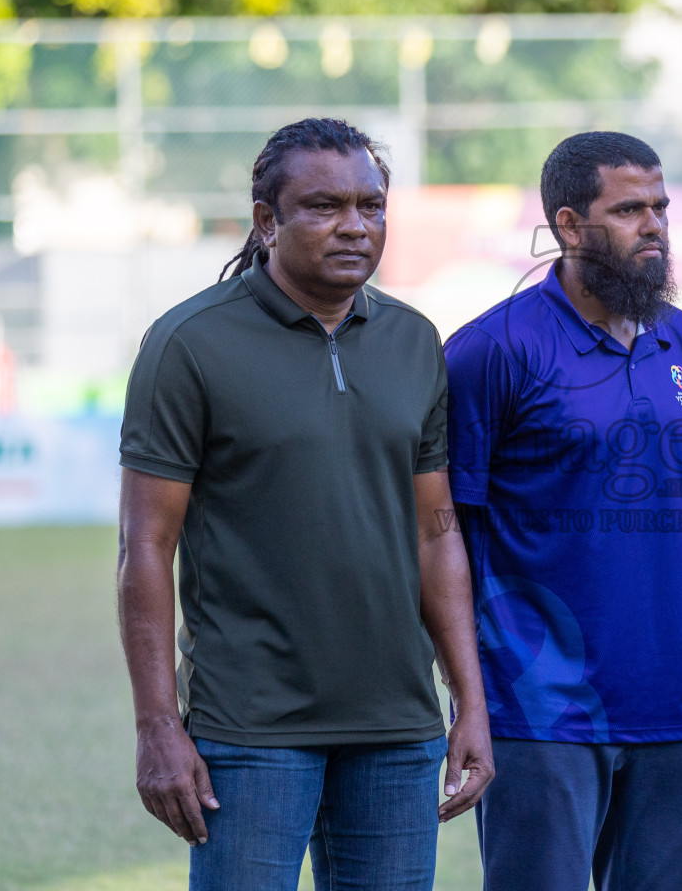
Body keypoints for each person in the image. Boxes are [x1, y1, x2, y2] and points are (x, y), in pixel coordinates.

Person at [117, 118, 493, 891]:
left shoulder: (415, 342)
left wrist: (469, 699)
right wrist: (158, 725)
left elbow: (435, 534)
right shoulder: (189, 344)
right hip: (250, 731)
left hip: (398, 730)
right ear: (267, 220)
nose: (355, 226)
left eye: (371, 205)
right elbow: (145, 547)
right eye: (324, 206)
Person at [445, 131, 682, 891]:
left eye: (661, 207)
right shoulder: (490, 350)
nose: (655, 225)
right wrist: (468, 699)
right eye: (630, 208)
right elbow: (442, 539)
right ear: (569, 227)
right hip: (539, 714)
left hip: (674, 708)